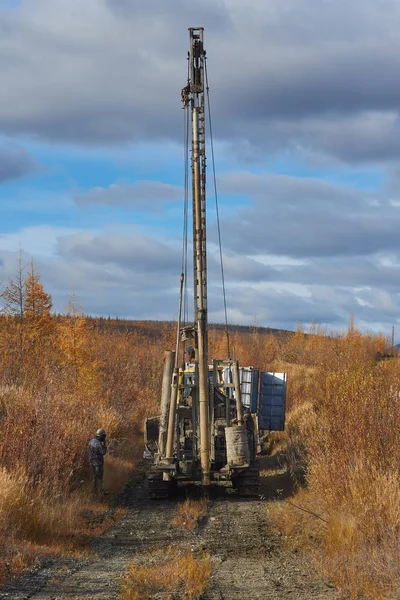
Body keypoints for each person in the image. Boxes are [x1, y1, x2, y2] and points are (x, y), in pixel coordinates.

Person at [88, 428, 107, 493]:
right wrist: (104, 443)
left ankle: (95, 490)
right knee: (99, 477)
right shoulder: (98, 444)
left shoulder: (92, 441)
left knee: (95, 476)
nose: (104, 437)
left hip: (91, 461)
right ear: (100, 436)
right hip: (98, 462)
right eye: (103, 436)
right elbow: (103, 452)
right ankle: (100, 491)